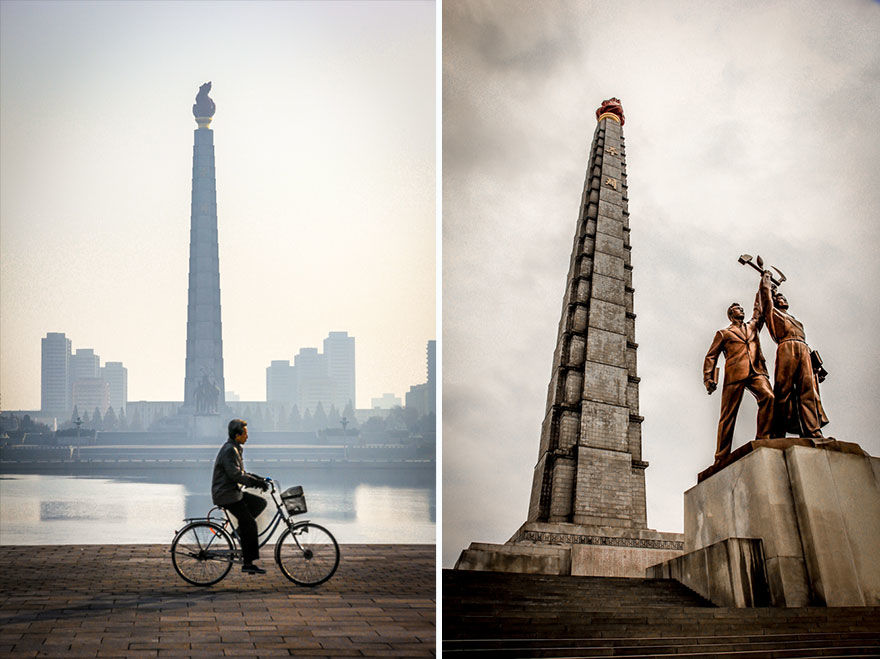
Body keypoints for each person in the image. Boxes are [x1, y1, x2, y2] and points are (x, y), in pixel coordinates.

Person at [703, 293, 774, 462]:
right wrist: (708, 379)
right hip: (735, 375)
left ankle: (763, 438)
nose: (741, 310)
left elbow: (759, 310)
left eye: (742, 308)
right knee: (728, 414)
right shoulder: (724, 333)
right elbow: (711, 356)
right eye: (737, 309)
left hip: (756, 371)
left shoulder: (753, 326)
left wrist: (763, 288)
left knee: (769, 397)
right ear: (731, 314)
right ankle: (721, 456)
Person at [759, 270, 829, 438]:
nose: (782, 299)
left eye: (784, 297)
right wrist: (766, 280)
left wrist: (816, 364)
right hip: (786, 347)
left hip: (803, 349)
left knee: (807, 392)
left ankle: (813, 431)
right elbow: (766, 298)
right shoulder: (772, 313)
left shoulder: (797, 321)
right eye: (778, 298)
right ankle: (778, 432)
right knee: (783, 391)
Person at [212, 418, 270, 574]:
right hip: (226, 495)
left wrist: (258, 479)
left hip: (232, 492)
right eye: (245, 433)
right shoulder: (230, 450)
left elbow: (241, 473)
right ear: (237, 435)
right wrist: (255, 483)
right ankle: (248, 563)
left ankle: (239, 531)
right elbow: (236, 475)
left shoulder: (235, 448)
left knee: (259, 503)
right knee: (250, 524)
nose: (247, 436)